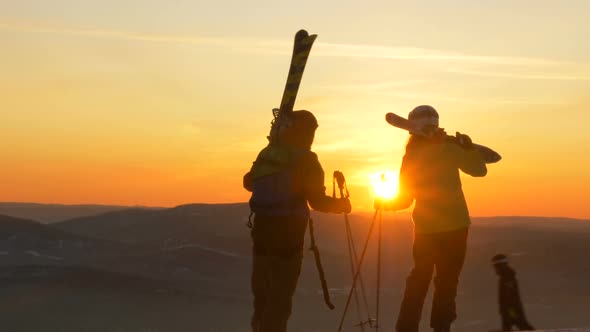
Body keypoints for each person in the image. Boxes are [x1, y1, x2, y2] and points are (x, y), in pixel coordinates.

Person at [376, 105, 488, 332]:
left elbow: (405, 199)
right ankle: (441, 327)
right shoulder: (450, 149)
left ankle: (406, 328)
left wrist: (383, 204)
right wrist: (469, 150)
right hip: (456, 227)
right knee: (447, 282)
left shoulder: (411, 156)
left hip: (426, 229)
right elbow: (479, 171)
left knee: (419, 278)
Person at [243, 109, 351, 332]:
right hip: (288, 236)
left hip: (262, 231)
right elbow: (317, 202)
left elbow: (248, 182)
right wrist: (342, 205)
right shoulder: (307, 160)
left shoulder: (269, 152)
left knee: (262, 297)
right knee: (280, 300)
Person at [492, 254, 535, 331]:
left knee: (523, 326)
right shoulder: (506, 277)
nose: (494, 269)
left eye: (495, 266)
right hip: (509, 311)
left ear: (499, 266)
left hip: (511, 311)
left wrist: (511, 314)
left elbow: (509, 298)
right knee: (523, 326)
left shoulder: (507, 278)